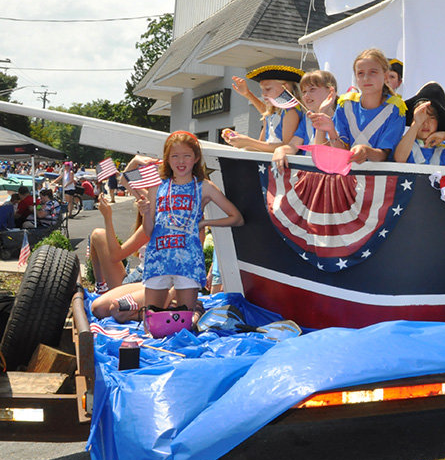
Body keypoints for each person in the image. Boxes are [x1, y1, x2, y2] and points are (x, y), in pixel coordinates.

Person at [135, 131, 244, 320]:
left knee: (182, 322)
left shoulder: (205, 186)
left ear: (196, 158)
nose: (181, 161)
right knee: (152, 322)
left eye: (187, 155)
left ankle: (197, 311)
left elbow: (237, 218)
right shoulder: (157, 186)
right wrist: (145, 214)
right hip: (158, 260)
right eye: (175, 156)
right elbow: (149, 231)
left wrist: (205, 222)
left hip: (188, 261)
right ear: (167, 159)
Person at [328, 49, 407, 164]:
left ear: (385, 76)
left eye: (373, 72)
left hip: (377, 178)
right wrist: (330, 130)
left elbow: (383, 154)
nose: (366, 78)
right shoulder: (345, 105)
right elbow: (340, 150)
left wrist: (365, 151)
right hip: (346, 176)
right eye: (360, 73)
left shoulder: (395, 109)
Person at [272, 69, 341, 171]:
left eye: (312, 89)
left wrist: (322, 111)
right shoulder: (307, 120)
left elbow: (322, 153)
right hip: (309, 176)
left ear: (330, 91)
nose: (306, 95)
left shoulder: (341, 117)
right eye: (304, 91)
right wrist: (280, 150)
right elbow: (293, 146)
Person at [225, 65, 304, 152]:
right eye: (262, 90)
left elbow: (287, 146)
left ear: (285, 87)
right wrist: (239, 141)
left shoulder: (291, 112)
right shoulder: (272, 113)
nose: (263, 94)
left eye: (268, 89)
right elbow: (262, 144)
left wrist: (248, 142)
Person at [394, 82, 445, 167]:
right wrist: (416, 124)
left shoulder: (443, 149)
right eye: (421, 117)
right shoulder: (404, 144)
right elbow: (400, 159)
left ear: (439, 121)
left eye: (431, 118)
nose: (426, 123)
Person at [88, 194, 149, 295]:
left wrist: (107, 216)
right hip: (144, 277)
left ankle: (101, 288)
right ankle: (101, 287)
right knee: (98, 234)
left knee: (97, 235)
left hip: (142, 282)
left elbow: (115, 255)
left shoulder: (151, 225)